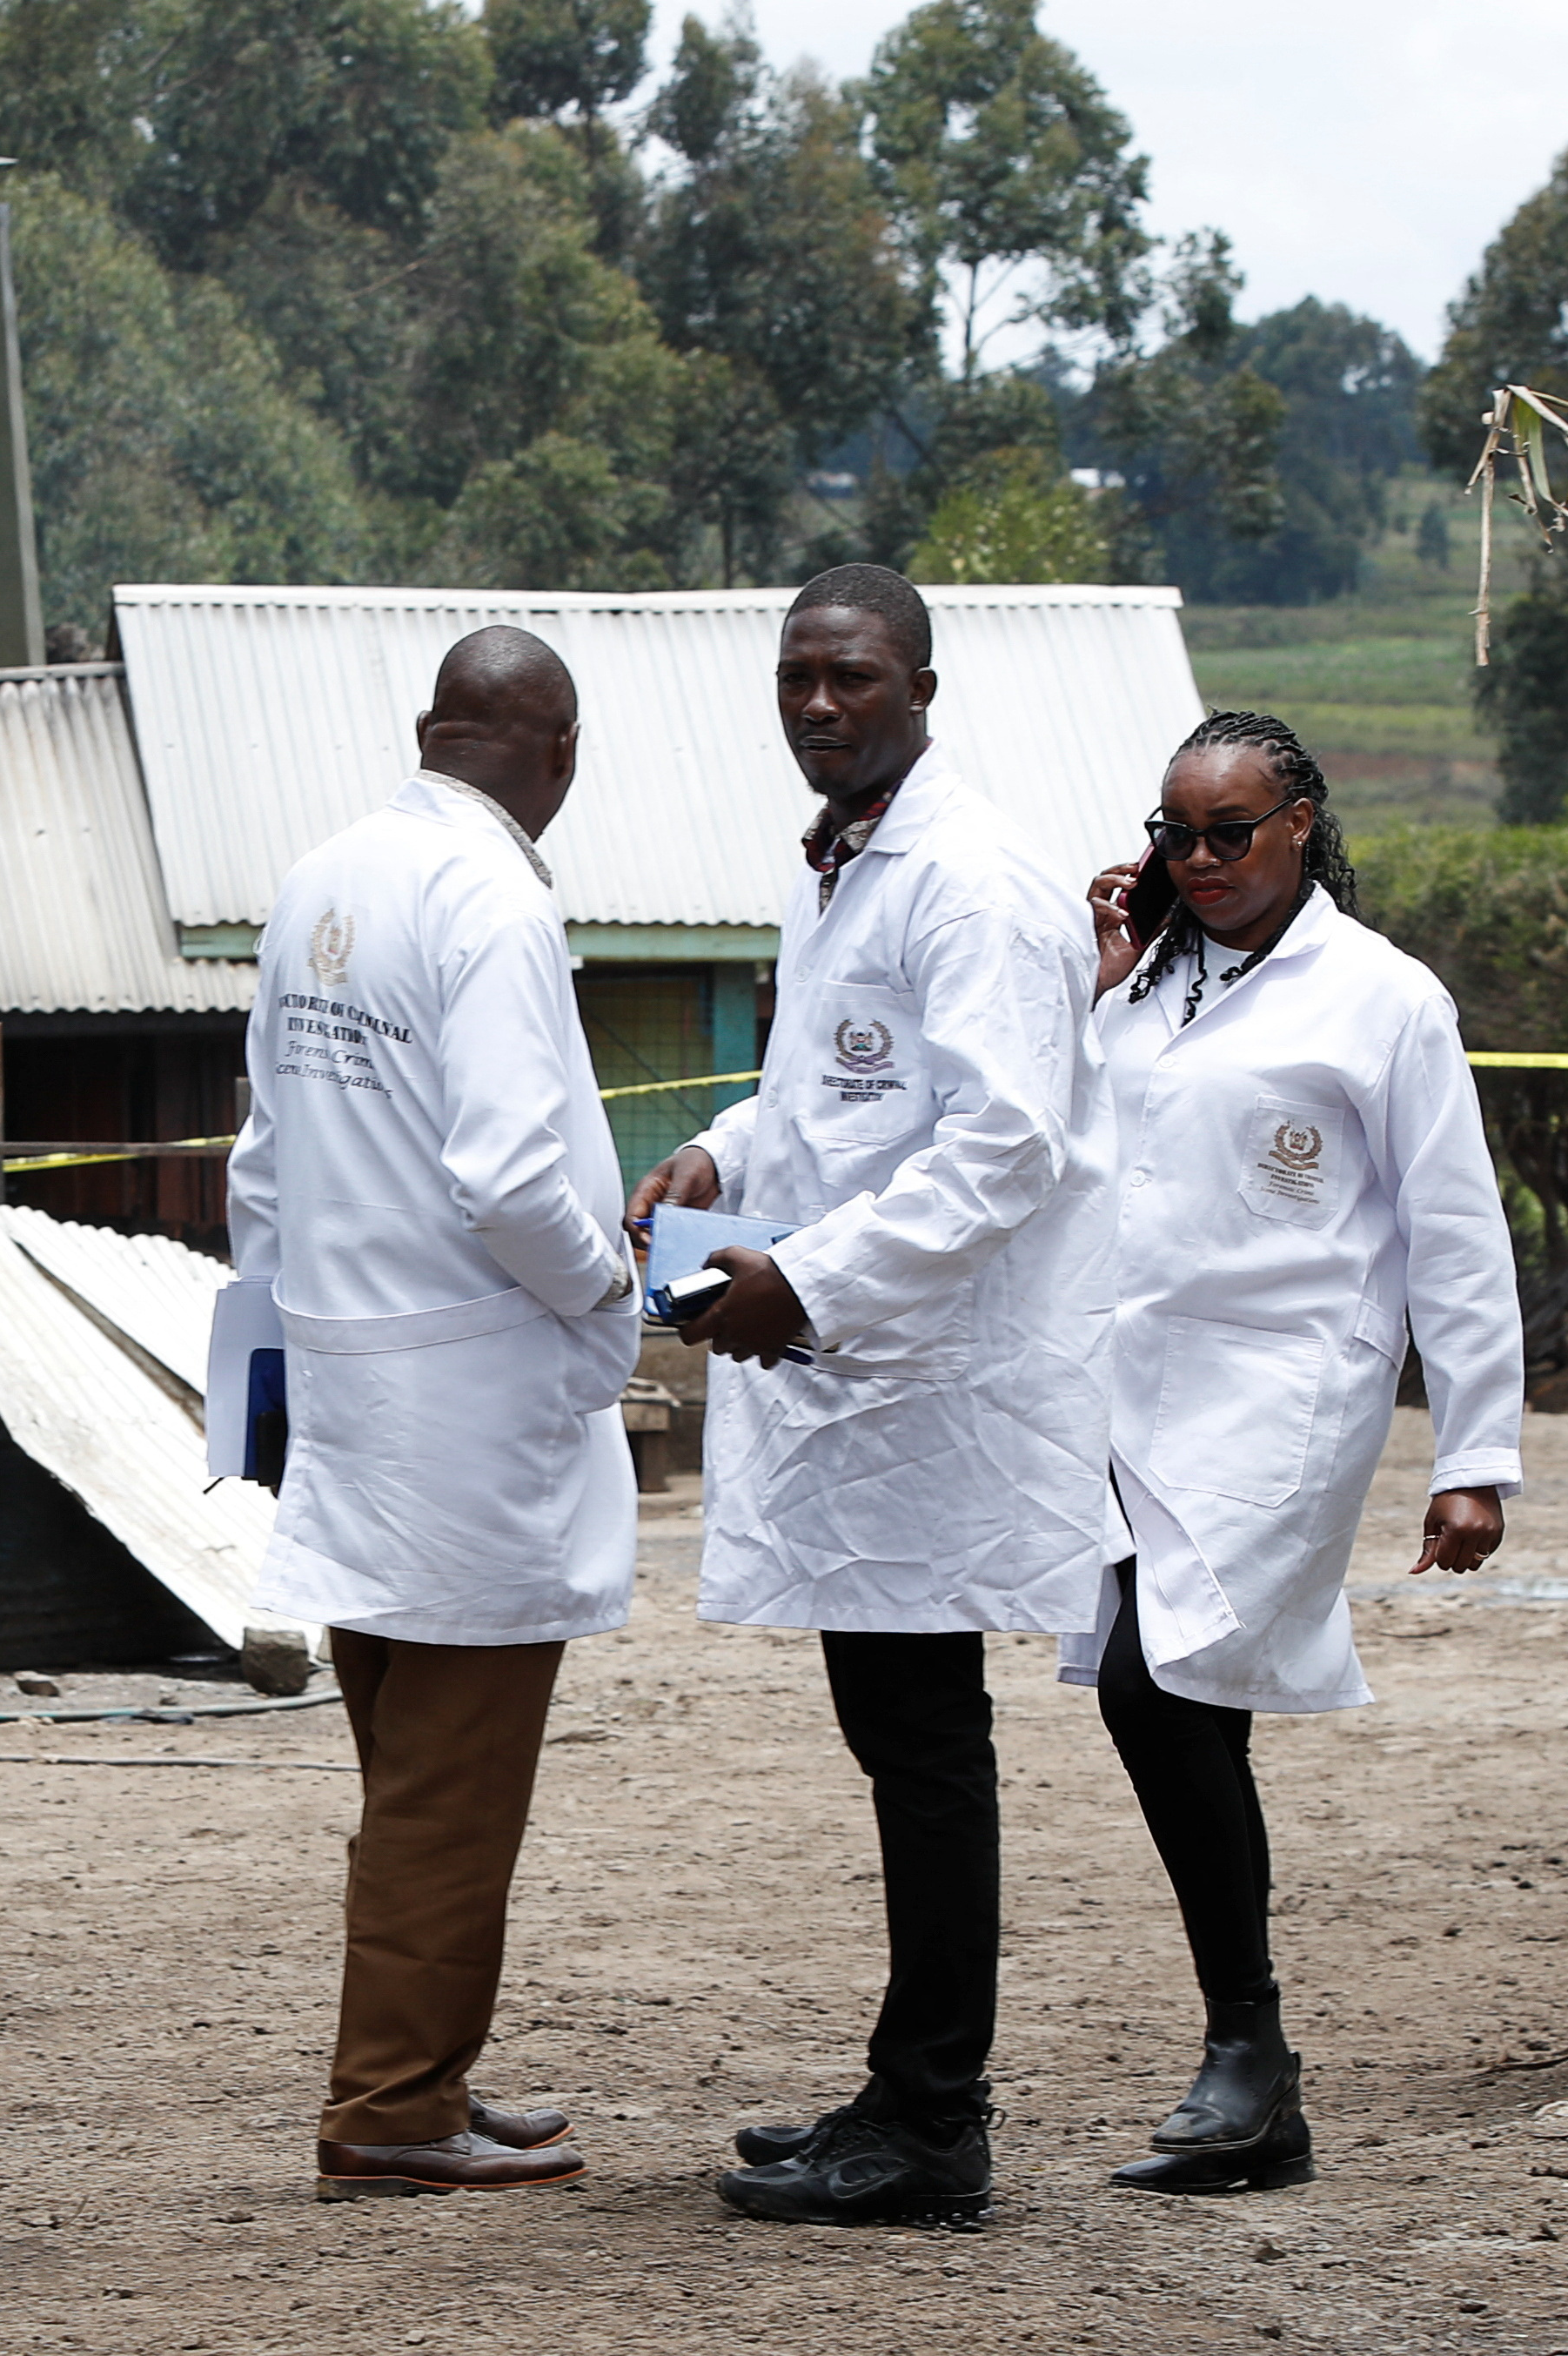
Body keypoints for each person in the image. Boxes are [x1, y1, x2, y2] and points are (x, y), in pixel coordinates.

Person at [627, 565, 1115, 2227]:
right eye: (796, 680)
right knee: (901, 1734)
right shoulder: (841, 868)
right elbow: (826, 1103)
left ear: (919, 682)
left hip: (931, 1384)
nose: (818, 705)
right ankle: (908, 2084)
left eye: (849, 676)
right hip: (864, 1383)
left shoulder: (969, 885)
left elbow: (1003, 1144)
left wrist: (810, 1282)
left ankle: (932, 2125)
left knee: (926, 1746)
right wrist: (723, 1154)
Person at [1067, 709, 1522, 2193]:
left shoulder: (1384, 999)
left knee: (1159, 1682)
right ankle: (1257, 2094)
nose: (1198, 861)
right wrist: (1101, 989)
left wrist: (1477, 1456)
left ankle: (1247, 2049)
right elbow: (1074, 1144)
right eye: (1175, 835)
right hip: (1133, 1385)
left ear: (1302, 827)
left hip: (1287, 1395)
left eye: (1230, 834)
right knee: (1191, 1699)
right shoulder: (1148, 987)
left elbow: (1456, 1236)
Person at [226, 624, 641, 2201]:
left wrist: (284, 1346)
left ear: (428, 731)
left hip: (347, 1378)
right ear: (562, 755)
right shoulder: (494, 900)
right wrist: (612, 1291)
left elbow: (262, 1163)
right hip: (466, 1402)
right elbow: (516, 1175)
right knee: (448, 1788)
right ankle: (391, 2110)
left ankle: (429, 2065)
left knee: (408, 1759)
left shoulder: (322, 878)